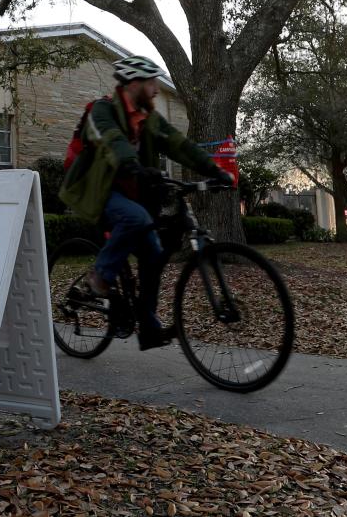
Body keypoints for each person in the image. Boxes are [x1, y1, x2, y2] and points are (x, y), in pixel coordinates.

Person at [58, 55, 234, 350]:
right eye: (151, 83)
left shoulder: (148, 119)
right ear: (135, 83)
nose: (155, 90)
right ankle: (98, 279)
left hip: (130, 198)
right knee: (136, 219)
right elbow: (113, 141)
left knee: (154, 253)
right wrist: (134, 165)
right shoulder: (102, 111)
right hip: (98, 193)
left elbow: (180, 144)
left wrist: (215, 170)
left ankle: (148, 328)